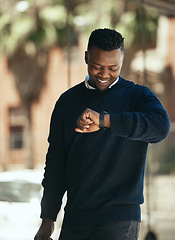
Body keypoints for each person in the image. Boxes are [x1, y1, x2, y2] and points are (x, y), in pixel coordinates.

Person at [34, 28, 170, 240]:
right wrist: (47, 219)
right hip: (75, 218)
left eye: (113, 68)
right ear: (87, 57)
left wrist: (105, 121)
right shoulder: (67, 102)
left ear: (122, 60)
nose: (105, 74)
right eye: (97, 67)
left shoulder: (138, 96)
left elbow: (161, 127)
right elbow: (55, 165)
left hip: (119, 219)